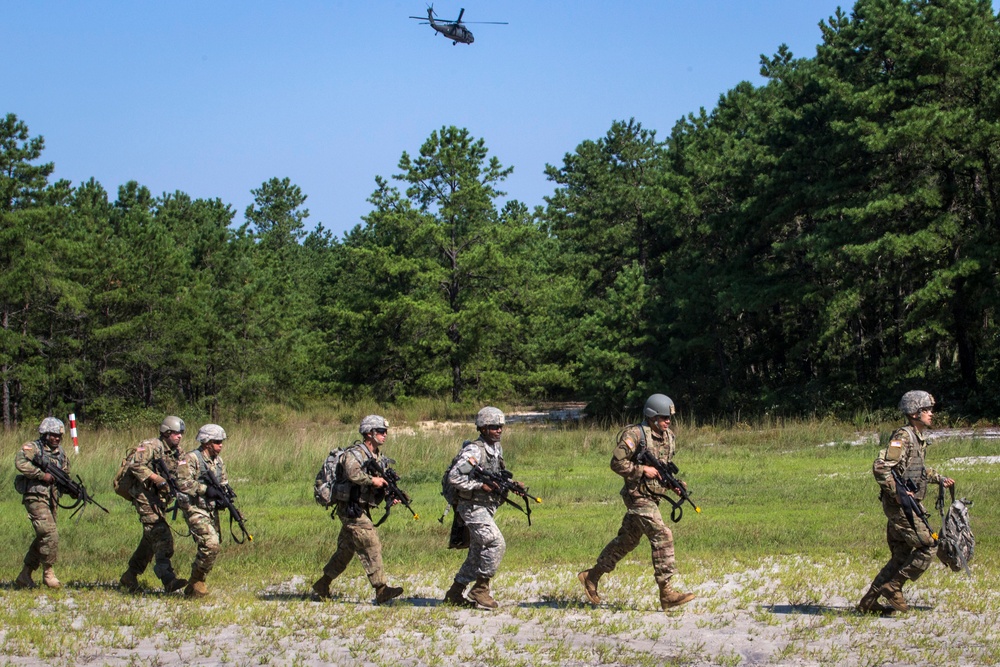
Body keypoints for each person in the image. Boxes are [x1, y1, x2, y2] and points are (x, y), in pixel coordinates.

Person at [578, 394, 696, 611]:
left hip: (653, 496)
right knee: (662, 534)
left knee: (627, 541)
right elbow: (616, 463)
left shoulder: (669, 436)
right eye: (663, 417)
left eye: (669, 417)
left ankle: (591, 576)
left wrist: (674, 484)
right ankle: (667, 592)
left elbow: (663, 468)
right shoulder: (635, 435)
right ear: (651, 416)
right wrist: (642, 470)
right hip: (637, 496)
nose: (668, 421)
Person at [858, 390, 954, 614]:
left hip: (906, 505)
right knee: (928, 546)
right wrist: (899, 494)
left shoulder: (917, 437)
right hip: (901, 507)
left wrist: (939, 479)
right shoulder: (902, 437)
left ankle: (869, 603)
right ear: (914, 413)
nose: (931, 414)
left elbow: (916, 470)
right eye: (926, 410)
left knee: (901, 555)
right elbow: (880, 467)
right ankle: (894, 587)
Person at [312, 415, 404, 605]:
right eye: (380, 431)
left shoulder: (378, 456)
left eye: (385, 431)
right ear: (369, 433)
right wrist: (372, 480)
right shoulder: (355, 453)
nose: (385, 435)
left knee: (345, 551)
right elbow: (353, 474)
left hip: (360, 507)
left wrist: (389, 496)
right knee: (370, 542)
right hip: (350, 508)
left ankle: (322, 584)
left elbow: (381, 483)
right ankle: (381, 589)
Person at [441, 406, 512, 610]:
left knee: (477, 551)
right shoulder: (474, 450)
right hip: (471, 506)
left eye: (500, 426)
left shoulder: (496, 448)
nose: (498, 430)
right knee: (495, 543)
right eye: (493, 427)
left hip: (485, 506)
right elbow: (455, 477)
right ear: (482, 428)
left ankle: (455, 592)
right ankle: (481, 588)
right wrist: (480, 485)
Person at [118, 416, 189, 594]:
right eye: (175, 433)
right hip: (143, 494)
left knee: (150, 538)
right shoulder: (150, 446)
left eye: (181, 433)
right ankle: (167, 578)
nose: (179, 437)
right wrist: (156, 479)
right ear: (166, 432)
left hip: (161, 498)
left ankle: (130, 575)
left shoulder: (178, 452)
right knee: (160, 533)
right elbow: (136, 464)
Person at [13, 417, 70, 589]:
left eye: (59, 436)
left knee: (43, 537)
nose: (57, 438)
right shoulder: (33, 448)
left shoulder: (61, 454)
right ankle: (48, 572)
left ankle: (25, 575)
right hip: (35, 497)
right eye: (53, 435)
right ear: (45, 434)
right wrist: (40, 474)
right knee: (50, 533)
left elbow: (64, 475)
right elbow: (20, 463)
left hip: (51, 499)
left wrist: (72, 490)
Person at [175, 423, 231, 598]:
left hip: (210, 509)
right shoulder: (190, 459)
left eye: (221, 441)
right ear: (207, 442)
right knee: (210, 543)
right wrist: (205, 490)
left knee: (214, 546)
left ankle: (195, 583)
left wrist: (225, 497)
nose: (220, 445)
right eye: (217, 442)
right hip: (194, 507)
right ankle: (198, 581)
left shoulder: (218, 462)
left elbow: (223, 483)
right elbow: (182, 483)